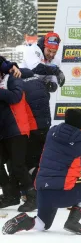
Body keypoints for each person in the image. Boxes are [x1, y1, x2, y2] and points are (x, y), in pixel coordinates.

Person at [2, 109, 81, 235]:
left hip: (42, 191)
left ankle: (23, 220)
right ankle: (72, 222)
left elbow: (70, 138)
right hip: (61, 193)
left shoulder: (53, 132)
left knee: (42, 225)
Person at [0, 58, 32, 212]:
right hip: (4, 133)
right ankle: (10, 195)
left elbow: (15, 97)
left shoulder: (13, 79)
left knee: (18, 166)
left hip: (18, 129)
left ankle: (33, 197)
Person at [19, 68, 53, 188]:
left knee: (30, 161)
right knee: (40, 159)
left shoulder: (20, 86)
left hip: (33, 128)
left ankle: (33, 190)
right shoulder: (40, 82)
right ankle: (42, 187)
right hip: (46, 126)